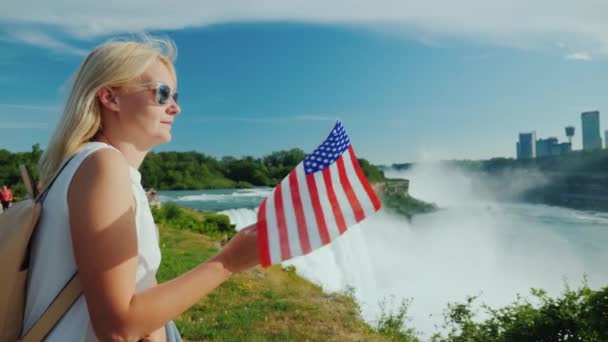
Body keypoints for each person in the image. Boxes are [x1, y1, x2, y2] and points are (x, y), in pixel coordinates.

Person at [22, 35, 259, 341]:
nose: (175, 108)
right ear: (110, 97)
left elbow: (137, 292)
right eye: (162, 94)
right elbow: (117, 328)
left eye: (176, 96)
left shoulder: (96, 167)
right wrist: (227, 262)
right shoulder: (102, 166)